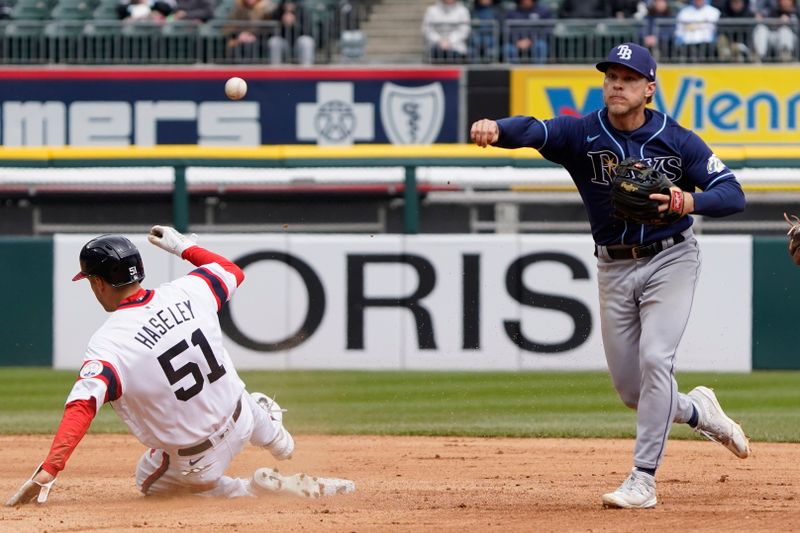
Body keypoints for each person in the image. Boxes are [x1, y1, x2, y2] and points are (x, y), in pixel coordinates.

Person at [470, 42, 750, 509]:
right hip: (613, 265)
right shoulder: (583, 134)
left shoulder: (676, 140)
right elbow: (536, 129)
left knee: (657, 361)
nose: (617, 84)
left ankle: (643, 479)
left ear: (649, 88)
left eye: (628, 78)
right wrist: (498, 128)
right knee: (633, 392)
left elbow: (732, 192)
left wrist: (688, 200)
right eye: (611, 76)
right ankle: (700, 411)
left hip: (671, 258)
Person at [5, 227, 346, 504]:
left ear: (98, 283)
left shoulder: (109, 343)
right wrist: (183, 247)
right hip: (242, 416)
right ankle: (276, 437)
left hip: (198, 460)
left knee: (149, 482)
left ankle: (251, 489)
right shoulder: (188, 290)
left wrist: (50, 468)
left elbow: (82, 406)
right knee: (247, 404)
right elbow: (232, 271)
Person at [267, 0, 315, 65]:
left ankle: (306, 71)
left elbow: (308, 32)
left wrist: (294, 24)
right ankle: (275, 71)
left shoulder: (303, 11)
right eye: (287, 3)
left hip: (298, 44)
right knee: (274, 41)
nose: (289, 5)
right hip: (283, 43)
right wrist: (282, 24)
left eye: (291, 3)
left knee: (306, 41)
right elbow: (271, 33)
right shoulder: (278, 12)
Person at [504, 0, 552, 64]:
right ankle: (514, 71)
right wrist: (516, 41)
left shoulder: (543, 11)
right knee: (508, 48)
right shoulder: (511, 12)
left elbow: (547, 29)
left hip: (536, 41)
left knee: (541, 45)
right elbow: (506, 30)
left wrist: (531, 40)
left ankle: (538, 71)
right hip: (517, 43)